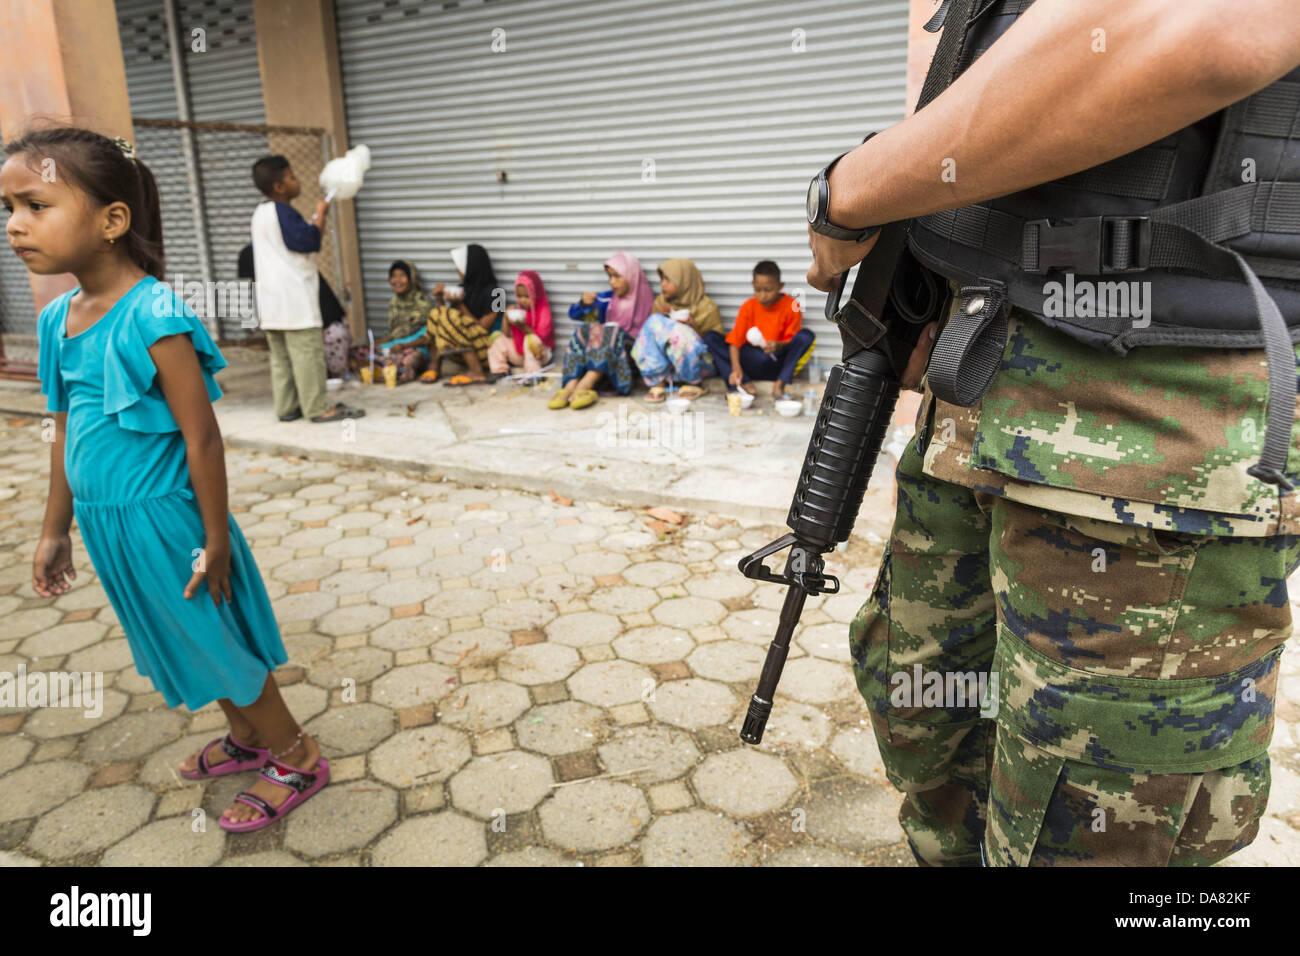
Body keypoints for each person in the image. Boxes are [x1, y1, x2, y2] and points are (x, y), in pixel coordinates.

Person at [804, 0, 1300, 866]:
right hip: (982, 367)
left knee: (1090, 825)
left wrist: (848, 191)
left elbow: (1207, 27)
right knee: (932, 724)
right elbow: (949, 87)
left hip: (1165, 413)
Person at [5, 127, 328, 832]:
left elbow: (201, 436)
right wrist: (54, 529)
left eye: (35, 204)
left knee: (214, 635)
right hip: (107, 524)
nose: (15, 225)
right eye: (8, 208)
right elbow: (63, 431)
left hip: (167, 521)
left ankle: (297, 754)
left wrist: (214, 537)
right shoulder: (58, 319)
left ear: (112, 220)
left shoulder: (153, 313)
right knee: (180, 635)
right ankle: (246, 738)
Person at [248, 154, 362, 422]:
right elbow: (308, 241)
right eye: (291, 177)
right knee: (307, 357)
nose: (297, 181)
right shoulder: (283, 212)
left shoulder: (260, 212)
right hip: (294, 301)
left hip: (272, 303)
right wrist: (320, 216)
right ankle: (318, 408)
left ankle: (287, 408)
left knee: (282, 361)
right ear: (279, 187)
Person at [550, 251, 651, 410]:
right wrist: (583, 304)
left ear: (631, 276)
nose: (612, 282)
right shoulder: (607, 299)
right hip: (605, 356)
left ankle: (586, 384)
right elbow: (573, 314)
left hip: (627, 362)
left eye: (618, 276)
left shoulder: (648, 302)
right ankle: (570, 384)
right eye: (610, 277)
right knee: (585, 328)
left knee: (612, 332)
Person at [237, 242, 350, 379]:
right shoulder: (276, 277)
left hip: (328, 332)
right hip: (318, 334)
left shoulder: (289, 277)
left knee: (326, 376)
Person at [706, 260, 812, 400]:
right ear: (753, 285)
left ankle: (780, 383)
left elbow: (792, 343)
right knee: (710, 338)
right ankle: (742, 382)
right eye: (758, 290)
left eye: (768, 290)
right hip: (751, 361)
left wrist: (778, 345)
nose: (762, 295)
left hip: (775, 363)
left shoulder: (792, 306)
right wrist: (737, 369)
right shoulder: (748, 306)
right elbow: (735, 342)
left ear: (780, 286)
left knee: (806, 335)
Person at [632, 258, 721, 402]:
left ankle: (693, 383)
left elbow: (718, 347)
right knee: (653, 321)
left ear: (684, 281)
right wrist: (661, 316)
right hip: (670, 368)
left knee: (679, 333)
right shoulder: (661, 302)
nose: (663, 284)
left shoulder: (708, 307)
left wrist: (693, 328)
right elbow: (651, 341)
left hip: (700, 366)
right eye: (661, 280)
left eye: (668, 280)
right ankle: (658, 382)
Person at [424, 243, 498, 384]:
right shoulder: (461, 289)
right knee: (436, 312)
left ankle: (476, 371)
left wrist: (459, 304)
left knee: (450, 314)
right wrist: (439, 299)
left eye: (459, 266)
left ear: (471, 266)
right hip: (459, 352)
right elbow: (445, 321)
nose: (457, 270)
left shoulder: (498, 293)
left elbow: (483, 328)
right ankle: (435, 367)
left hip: (486, 351)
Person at [488, 269, 553, 376]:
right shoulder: (519, 311)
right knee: (497, 337)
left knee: (530, 339)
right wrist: (506, 318)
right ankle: (499, 371)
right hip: (520, 354)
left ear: (536, 294)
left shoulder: (543, 311)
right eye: (519, 296)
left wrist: (523, 326)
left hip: (540, 355)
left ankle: (533, 374)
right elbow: (507, 335)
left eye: (527, 296)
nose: (522, 300)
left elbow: (540, 338)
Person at [378, 260, 432, 383]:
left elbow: (428, 337)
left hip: (416, 347)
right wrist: (374, 344)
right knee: (362, 355)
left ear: (411, 278)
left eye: (402, 276)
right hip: (396, 347)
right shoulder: (394, 303)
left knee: (409, 359)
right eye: (393, 276)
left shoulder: (422, 302)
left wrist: (403, 346)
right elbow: (393, 334)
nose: (397, 280)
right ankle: (389, 371)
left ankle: (399, 373)